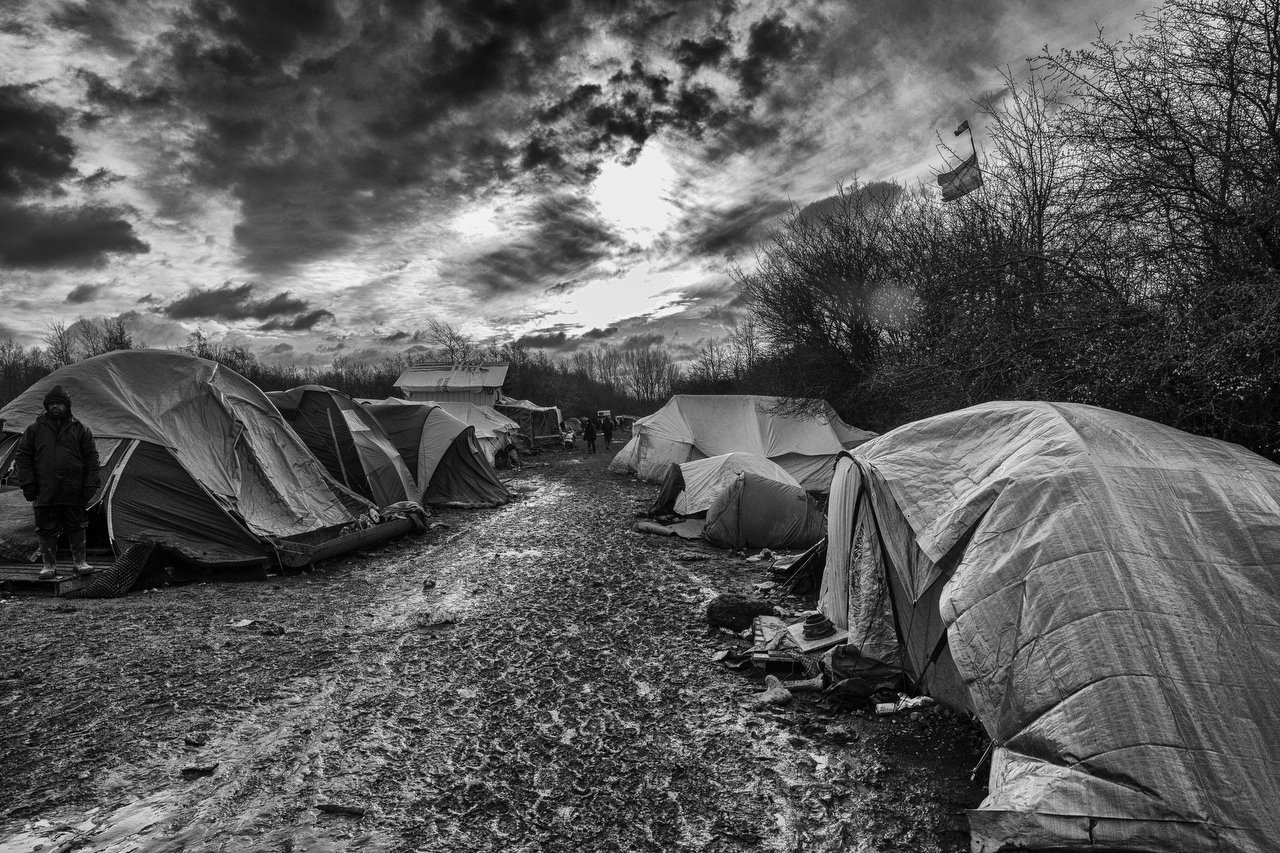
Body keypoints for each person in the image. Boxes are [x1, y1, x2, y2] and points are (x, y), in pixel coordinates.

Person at [14, 385, 100, 579]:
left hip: (73, 487)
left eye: (59, 404)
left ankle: (80, 562)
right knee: (45, 527)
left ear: (67, 406)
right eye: (51, 404)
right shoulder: (34, 430)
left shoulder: (80, 430)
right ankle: (48, 565)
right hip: (44, 488)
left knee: (76, 524)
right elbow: (23, 457)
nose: (55, 407)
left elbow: (92, 459)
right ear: (46, 406)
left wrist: (90, 485)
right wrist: (28, 484)